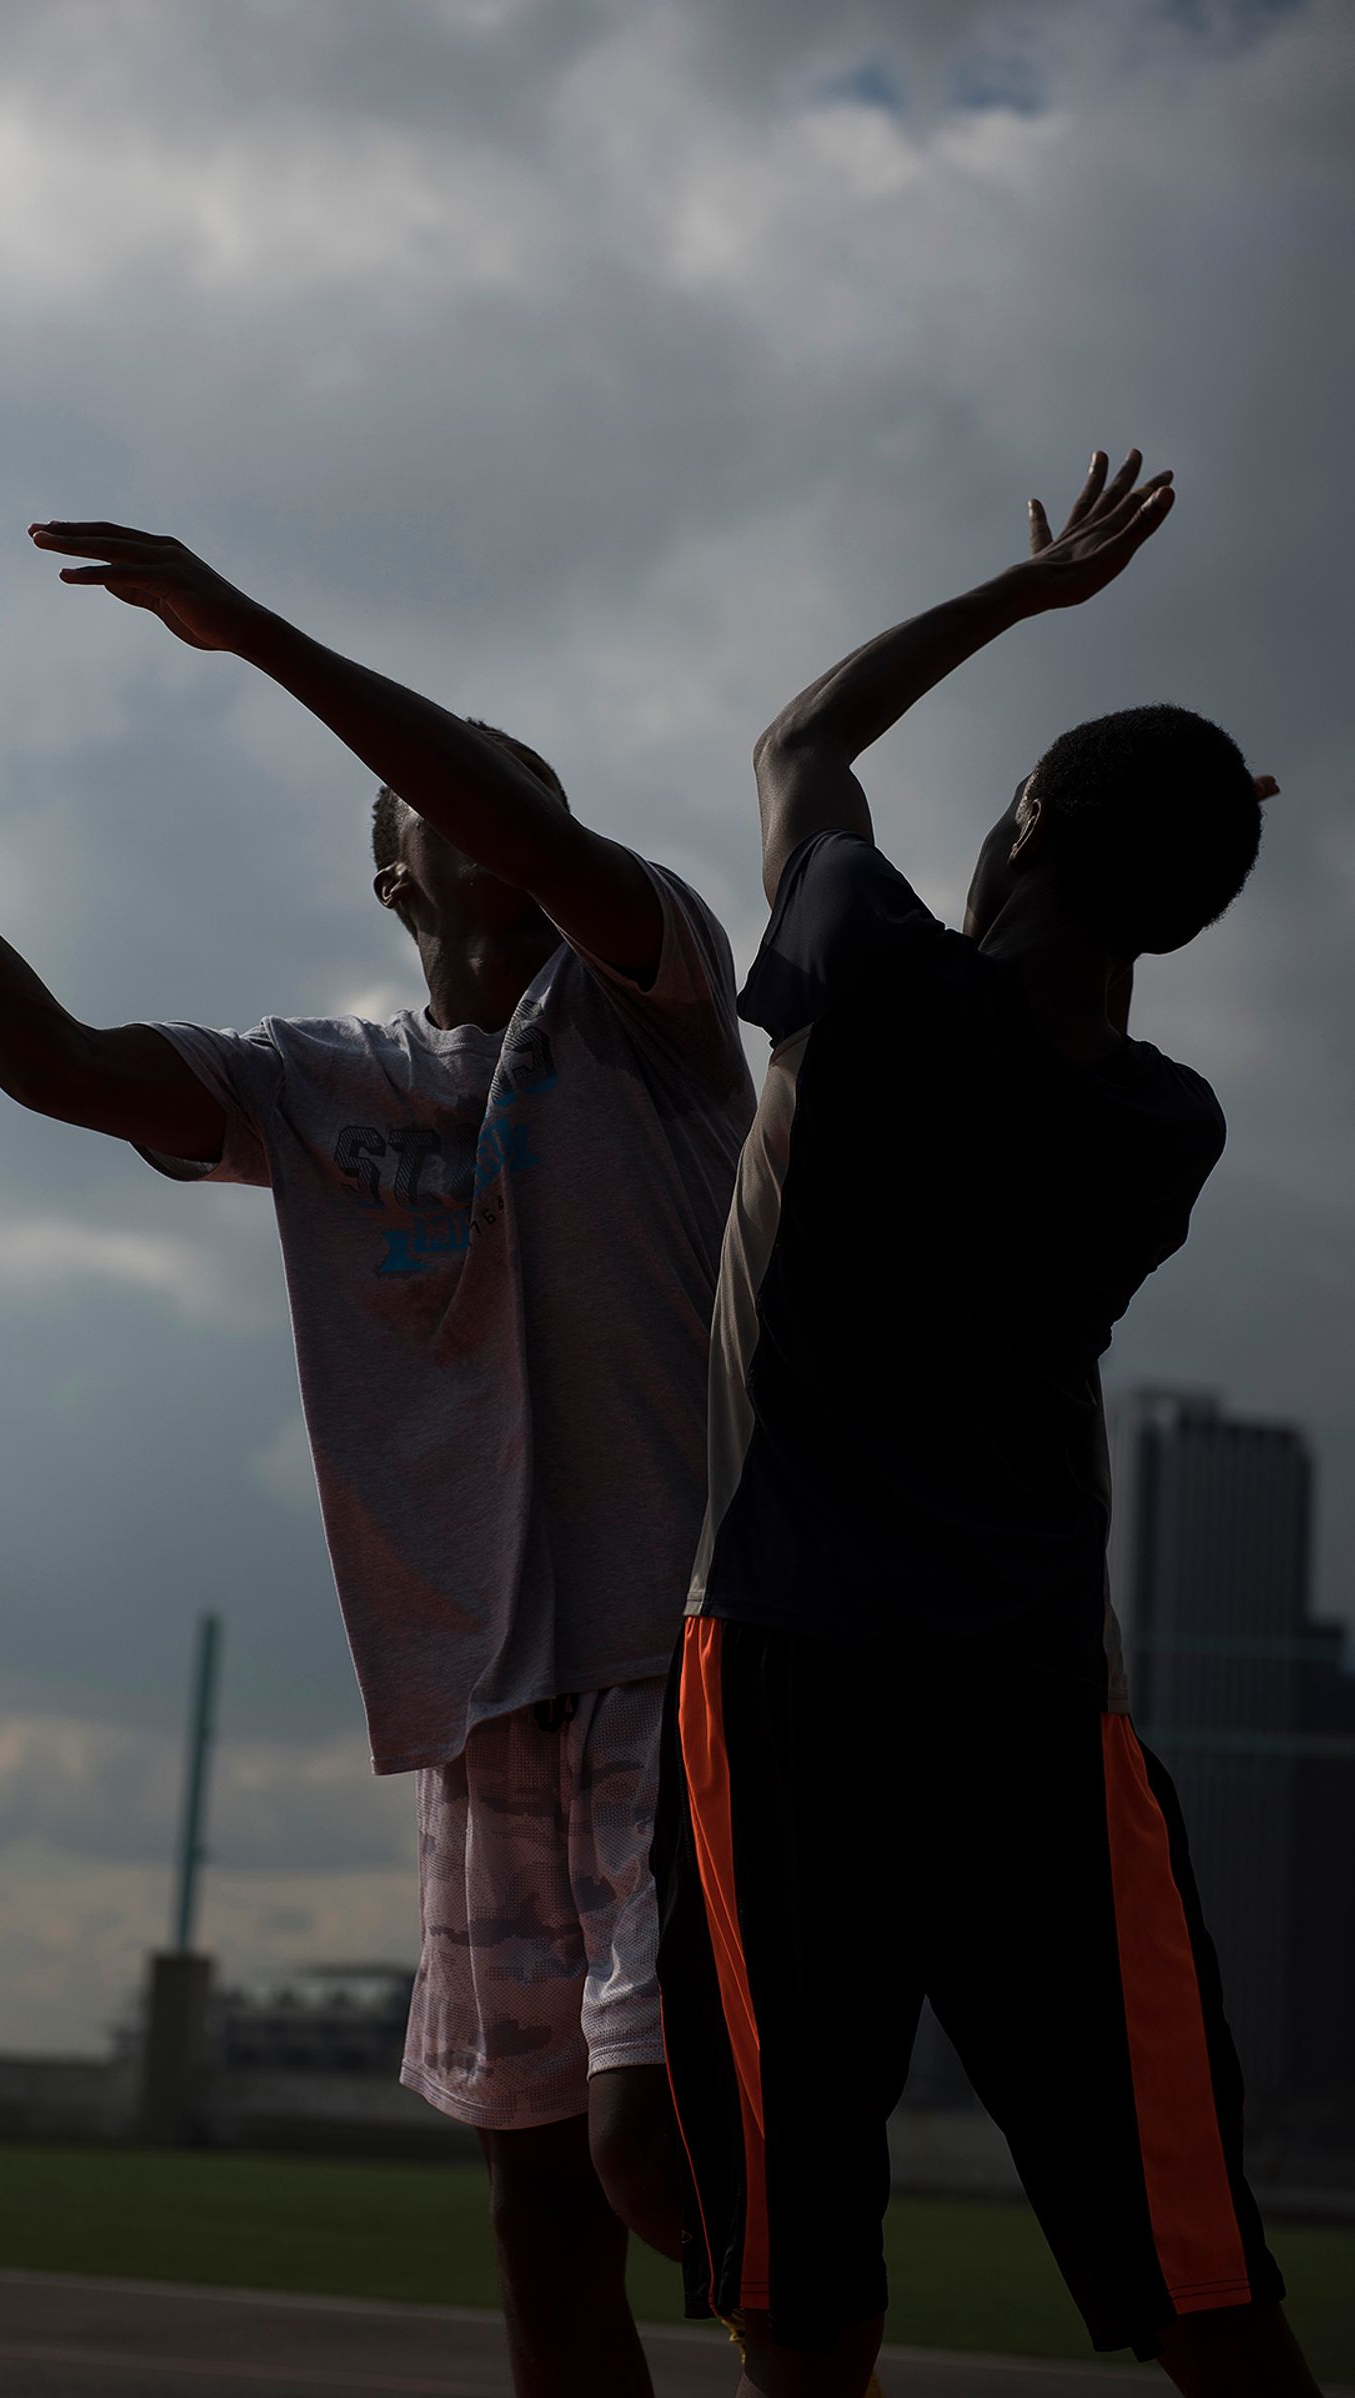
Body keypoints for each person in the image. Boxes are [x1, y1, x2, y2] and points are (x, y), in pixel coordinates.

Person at [0, 524, 755, 2398]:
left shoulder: (654, 998)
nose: (501, 795)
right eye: (450, 785)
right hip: (478, 1705)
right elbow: (48, 1059)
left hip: (666, 1660)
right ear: (388, 867)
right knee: (536, 2212)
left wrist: (250, 635)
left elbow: (519, 821)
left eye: (523, 779)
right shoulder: (328, 1083)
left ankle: (822, 2301)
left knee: (650, 2156)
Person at [649, 448, 1318, 2398]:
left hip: (787, 1665)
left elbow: (807, 730)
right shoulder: (1160, 1128)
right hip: (1034, 1703)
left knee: (797, 2229)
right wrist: (1149, 824)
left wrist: (1025, 598)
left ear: (1021, 821)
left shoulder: (862, 970)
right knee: (1187, 2249)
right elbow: (1067, 923)